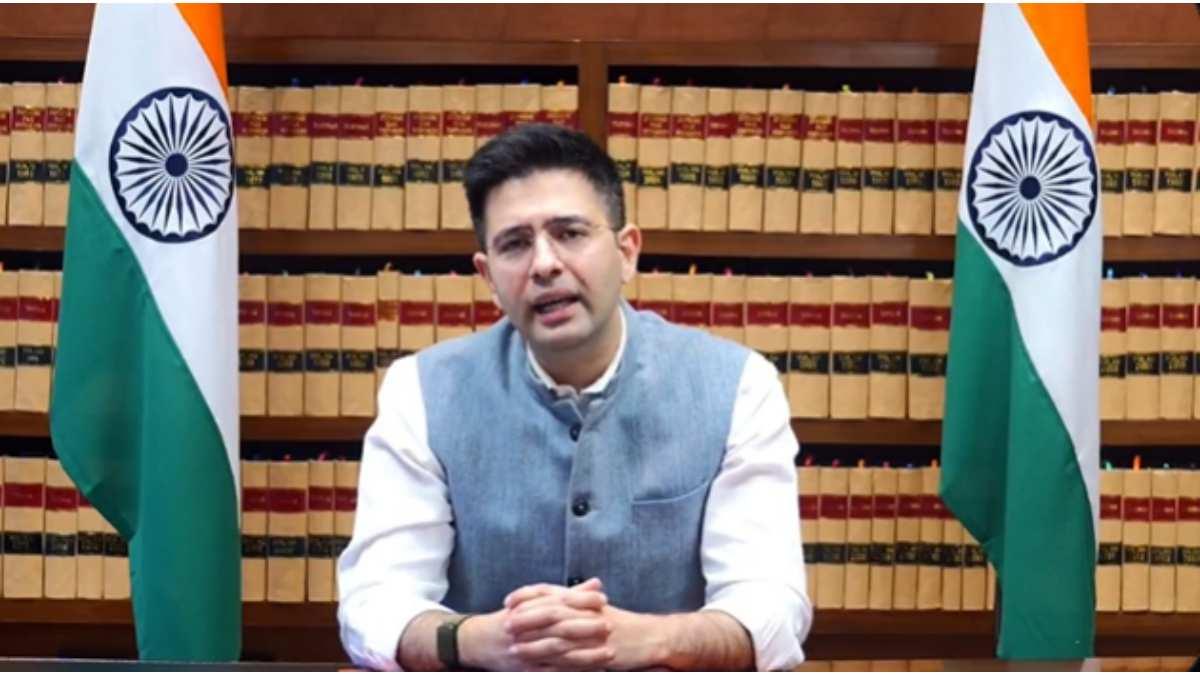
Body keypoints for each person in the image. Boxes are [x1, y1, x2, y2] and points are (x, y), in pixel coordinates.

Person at [337, 122, 812, 671]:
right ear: (488, 276)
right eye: (516, 244)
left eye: (569, 233)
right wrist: (478, 640)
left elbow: (773, 608)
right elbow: (374, 603)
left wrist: (653, 640)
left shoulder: (739, 385)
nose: (544, 264)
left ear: (627, 252)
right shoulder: (419, 391)